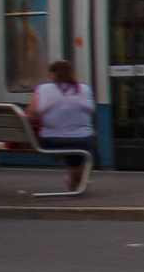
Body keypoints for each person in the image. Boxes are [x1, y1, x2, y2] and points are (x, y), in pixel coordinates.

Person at [29, 59, 96, 194]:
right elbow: (91, 111)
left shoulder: (43, 89)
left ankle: (73, 181)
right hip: (82, 140)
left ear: (53, 75)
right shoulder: (84, 89)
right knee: (79, 145)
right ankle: (74, 181)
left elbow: (31, 113)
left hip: (51, 141)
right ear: (72, 73)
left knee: (71, 146)